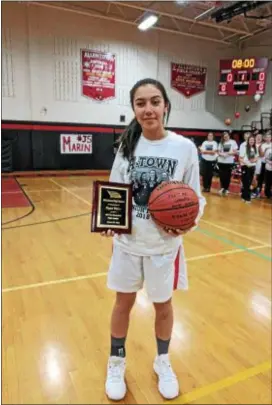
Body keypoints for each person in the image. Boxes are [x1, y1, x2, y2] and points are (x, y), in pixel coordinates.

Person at [101, 78, 206, 401]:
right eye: (141, 103)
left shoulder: (184, 147)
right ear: (134, 109)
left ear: (165, 106)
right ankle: (116, 360)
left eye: (154, 101)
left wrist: (188, 223)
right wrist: (109, 221)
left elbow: (196, 199)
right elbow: (115, 191)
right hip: (129, 244)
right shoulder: (126, 147)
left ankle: (162, 360)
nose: (148, 109)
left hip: (164, 247)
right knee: (123, 303)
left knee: (163, 305)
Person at [217, 132, 238, 196]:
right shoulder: (221, 143)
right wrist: (221, 154)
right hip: (221, 161)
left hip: (229, 161)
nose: (226, 137)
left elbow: (235, 151)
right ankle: (222, 188)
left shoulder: (233, 142)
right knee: (222, 175)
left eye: (227, 136)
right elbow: (218, 151)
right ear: (223, 137)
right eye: (224, 136)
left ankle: (226, 189)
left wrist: (228, 154)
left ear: (229, 136)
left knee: (227, 176)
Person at [239, 134, 258, 203]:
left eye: (253, 140)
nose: (252, 141)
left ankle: (244, 196)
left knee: (249, 182)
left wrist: (254, 160)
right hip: (245, 167)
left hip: (252, 167)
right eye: (250, 140)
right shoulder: (244, 147)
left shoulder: (255, 147)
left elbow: (257, 157)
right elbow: (240, 158)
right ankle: (247, 198)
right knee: (246, 182)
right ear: (248, 141)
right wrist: (246, 163)